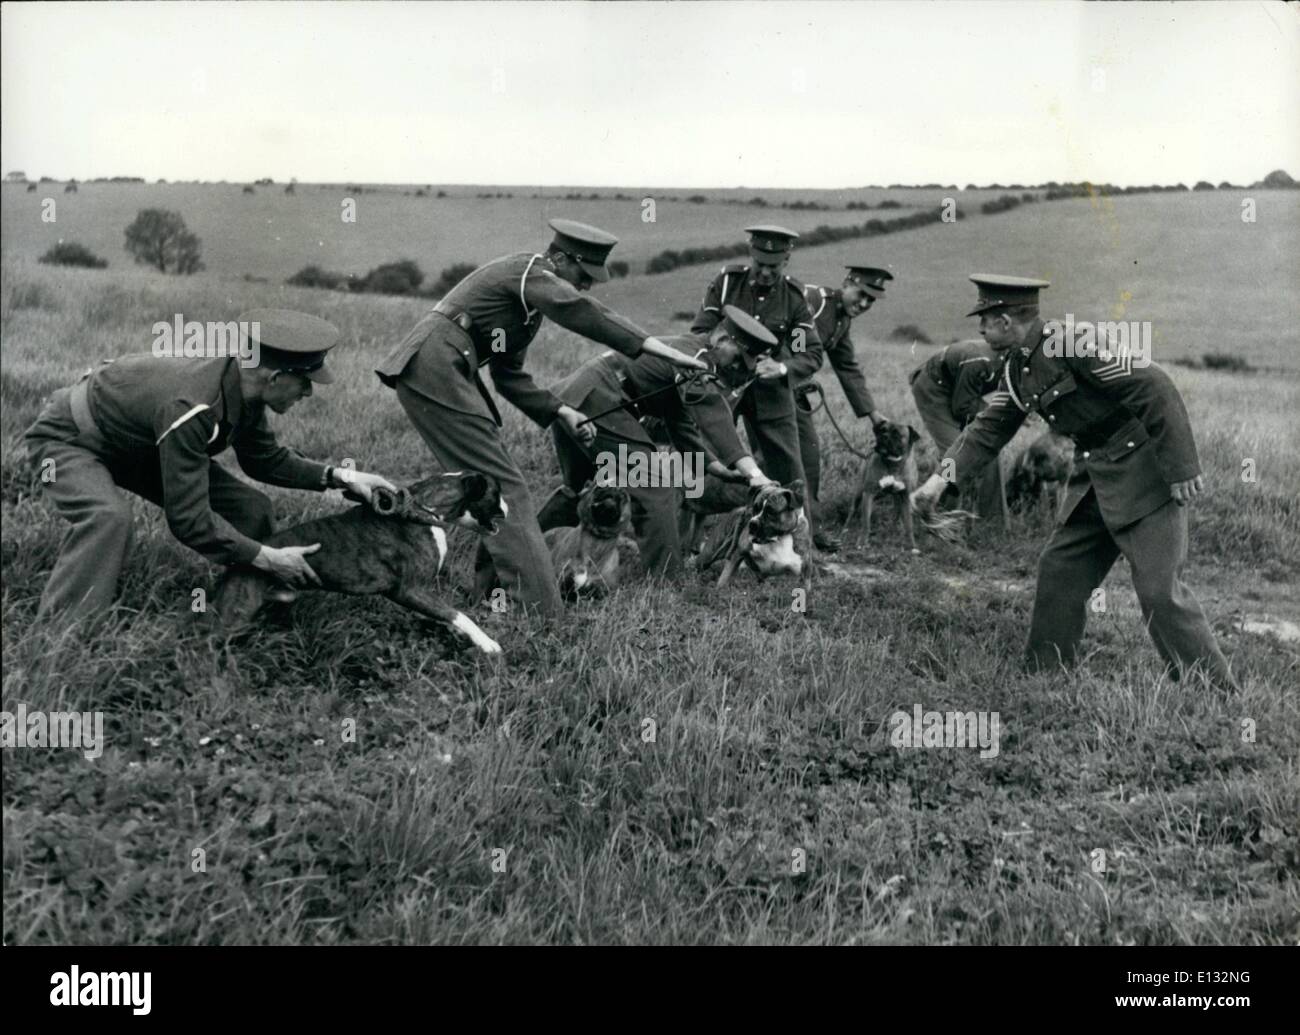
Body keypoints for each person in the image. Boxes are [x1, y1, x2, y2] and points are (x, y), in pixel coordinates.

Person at [910, 275, 1237, 689]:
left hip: (1144, 472)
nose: (980, 330)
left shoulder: (1074, 342)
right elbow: (986, 432)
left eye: (986, 320)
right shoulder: (1017, 371)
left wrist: (1182, 469)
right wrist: (940, 481)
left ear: (1007, 321)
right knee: (1060, 570)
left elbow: (1156, 386)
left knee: (1158, 590)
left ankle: (1215, 693)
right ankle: (1044, 675)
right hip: (1094, 478)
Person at [376, 219, 706, 618]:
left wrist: (562, 410)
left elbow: (508, 376)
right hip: (436, 363)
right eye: (582, 275)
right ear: (561, 259)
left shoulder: (526, 311)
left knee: (493, 484)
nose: (584, 285)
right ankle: (539, 611)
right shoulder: (529, 272)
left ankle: (489, 589)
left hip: (446, 365)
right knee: (504, 487)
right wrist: (660, 350)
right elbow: (584, 311)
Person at [25, 309, 394, 623]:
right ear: (275, 378)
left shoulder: (243, 386)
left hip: (141, 442)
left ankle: (236, 610)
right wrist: (267, 557)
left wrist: (342, 475)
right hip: (71, 436)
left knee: (252, 509)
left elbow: (264, 460)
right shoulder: (193, 406)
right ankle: (65, 631)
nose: (309, 393)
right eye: (305, 382)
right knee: (109, 518)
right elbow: (190, 520)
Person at [536, 305, 775, 576]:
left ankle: (525, 553)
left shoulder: (694, 350)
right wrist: (754, 473)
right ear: (721, 340)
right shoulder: (697, 359)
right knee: (655, 486)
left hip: (580, 395)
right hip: (602, 400)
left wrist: (714, 468)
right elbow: (711, 411)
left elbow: (679, 422)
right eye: (738, 359)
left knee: (576, 489)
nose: (737, 368)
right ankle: (665, 583)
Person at [689, 225, 822, 507]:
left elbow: (809, 353)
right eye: (760, 264)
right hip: (721, 387)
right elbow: (700, 332)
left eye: (773, 267)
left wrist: (782, 368)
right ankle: (690, 540)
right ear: (751, 254)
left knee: (788, 470)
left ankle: (799, 542)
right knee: (701, 458)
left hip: (770, 394)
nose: (765, 272)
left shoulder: (795, 299)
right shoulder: (726, 283)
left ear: (786, 261)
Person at [796, 265, 893, 550]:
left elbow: (847, 367)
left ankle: (808, 531)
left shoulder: (841, 321)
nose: (863, 304)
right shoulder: (813, 300)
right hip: (758, 383)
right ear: (846, 283)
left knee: (809, 455)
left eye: (870, 300)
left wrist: (873, 415)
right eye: (861, 294)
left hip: (790, 391)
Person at [908, 337, 1004, 518]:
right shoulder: (979, 359)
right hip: (933, 389)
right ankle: (939, 515)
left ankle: (992, 521)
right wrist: (996, 413)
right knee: (954, 452)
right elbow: (962, 408)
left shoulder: (1017, 363)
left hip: (962, 392)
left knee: (990, 448)